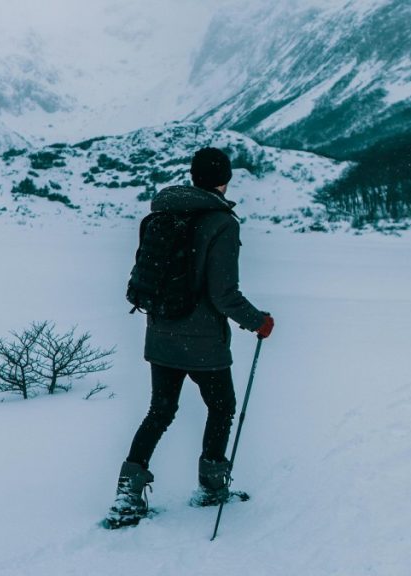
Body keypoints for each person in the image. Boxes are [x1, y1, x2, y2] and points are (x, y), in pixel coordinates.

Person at [105, 147, 274, 529]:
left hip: (161, 332)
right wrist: (258, 322)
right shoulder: (221, 223)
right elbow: (223, 294)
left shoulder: (163, 214)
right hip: (203, 342)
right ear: (223, 179)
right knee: (222, 406)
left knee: (160, 411)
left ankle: (127, 494)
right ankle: (212, 486)